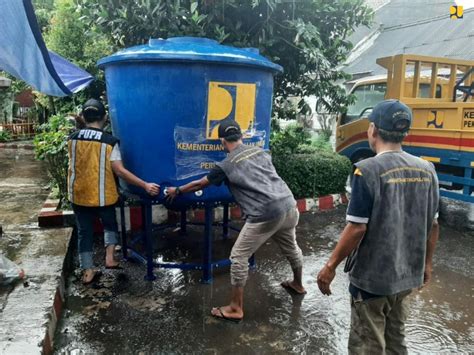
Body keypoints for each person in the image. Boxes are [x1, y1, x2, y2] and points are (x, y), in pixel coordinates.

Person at [317, 100, 439, 354]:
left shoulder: (367, 170)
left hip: (374, 281)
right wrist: (426, 264)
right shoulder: (427, 170)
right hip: (407, 276)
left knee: (368, 345)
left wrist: (330, 267)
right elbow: (433, 225)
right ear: (404, 132)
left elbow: (357, 228)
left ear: (372, 130)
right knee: (396, 340)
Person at [166, 119, 305, 322]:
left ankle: (235, 308)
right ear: (240, 136)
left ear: (222, 140)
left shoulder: (226, 164)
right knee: (291, 247)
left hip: (264, 213)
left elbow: (199, 184)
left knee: (239, 256)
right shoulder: (261, 151)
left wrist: (176, 190)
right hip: (289, 205)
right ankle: (298, 284)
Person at [68, 99, 160, 284]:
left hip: (78, 194)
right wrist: (145, 185)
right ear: (105, 117)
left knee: (84, 232)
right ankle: (110, 258)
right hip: (103, 195)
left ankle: (88, 271)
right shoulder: (109, 141)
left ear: (84, 117)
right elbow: (119, 170)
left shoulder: (73, 138)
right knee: (109, 224)